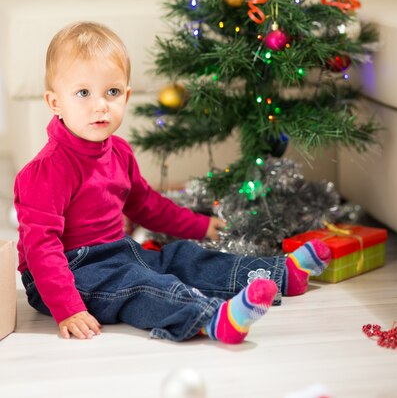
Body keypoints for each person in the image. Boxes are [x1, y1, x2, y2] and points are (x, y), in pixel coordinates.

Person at [14, 21, 331, 343]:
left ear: (126, 95)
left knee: (181, 257)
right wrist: (68, 308)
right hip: (64, 274)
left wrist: (199, 225)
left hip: (118, 252)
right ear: (55, 102)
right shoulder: (46, 170)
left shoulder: (118, 152)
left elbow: (147, 205)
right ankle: (213, 319)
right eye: (83, 93)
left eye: (111, 92)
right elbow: (42, 248)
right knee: (140, 284)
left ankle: (280, 273)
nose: (100, 105)